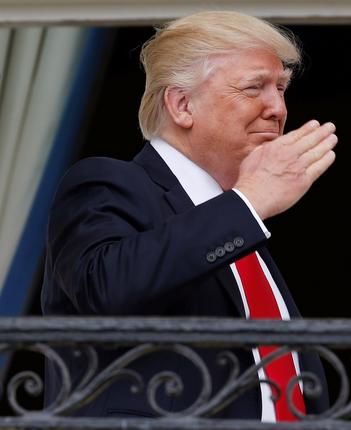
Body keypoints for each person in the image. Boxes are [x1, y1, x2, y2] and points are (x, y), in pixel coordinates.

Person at [40, 11, 335, 421]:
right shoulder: (108, 181)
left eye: (282, 88)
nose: (278, 108)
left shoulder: (235, 222)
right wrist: (248, 203)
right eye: (255, 88)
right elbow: (104, 289)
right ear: (182, 105)